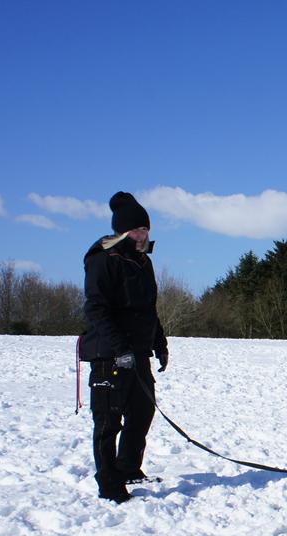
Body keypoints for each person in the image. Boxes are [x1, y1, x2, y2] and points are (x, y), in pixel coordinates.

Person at [78, 192, 169, 503]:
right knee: (108, 422)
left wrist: (160, 342)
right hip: (110, 355)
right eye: (137, 231)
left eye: (145, 230)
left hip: (138, 353)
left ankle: (129, 467)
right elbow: (96, 309)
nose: (143, 236)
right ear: (122, 232)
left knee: (142, 413)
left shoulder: (143, 262)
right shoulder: (104, 259)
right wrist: (120, 348)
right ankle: (109, 483)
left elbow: (148, 309)